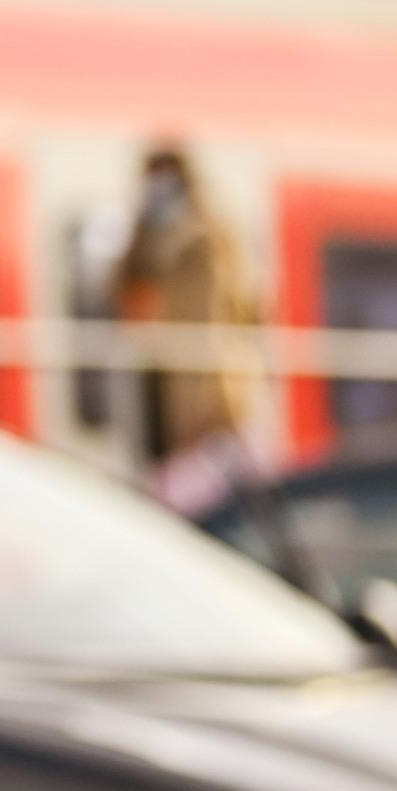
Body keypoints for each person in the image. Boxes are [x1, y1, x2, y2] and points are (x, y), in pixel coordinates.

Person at [113, 141, 267, 514]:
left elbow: (216, 325)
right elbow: (124, 286)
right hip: (165, 391)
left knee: (207, 500)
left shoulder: (207, 241)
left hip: (206, 401)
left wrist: (199, 419)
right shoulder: (150, 238)